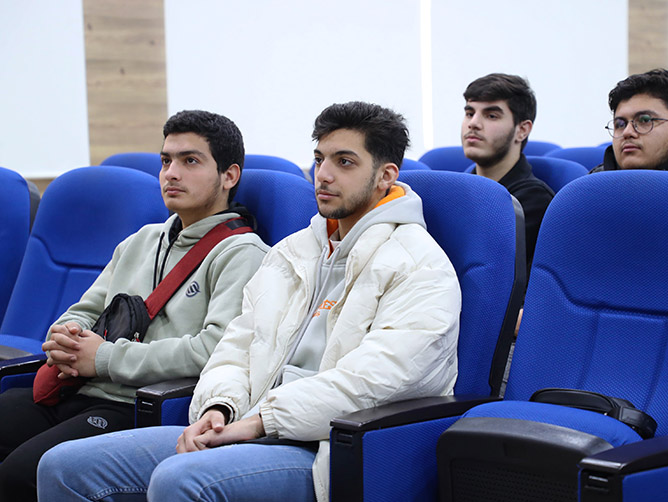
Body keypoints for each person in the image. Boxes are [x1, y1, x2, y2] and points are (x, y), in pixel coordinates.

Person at [38, 101, 462, 502]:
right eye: (319, 159)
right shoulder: (294, 252)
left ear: (386, 176)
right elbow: (236, 347)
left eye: (344, 162)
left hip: (324, 446)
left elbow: (374, 381)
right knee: (64, 467)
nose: (324, 175)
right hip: (246, 422)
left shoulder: (419, 265)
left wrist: (260, 422)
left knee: (181, 480)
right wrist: (219, 407)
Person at [0, 110, 269, 501]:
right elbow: (85, 309)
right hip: (77, 388)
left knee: (19, 474)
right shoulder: (142, 239)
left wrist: (105, 358)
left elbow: (213, 350)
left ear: (229, 176)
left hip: (137, 405)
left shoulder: (242, 253)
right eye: (166, 161)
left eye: (190, 161)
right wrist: (66, 336)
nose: (171, 173)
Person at [462, 73, 554, 270]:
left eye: (491, 116)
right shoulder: (456, 192)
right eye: (470, 113)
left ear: (522, 130)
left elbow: (485, 268)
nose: (473, 123)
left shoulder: (533, 201)